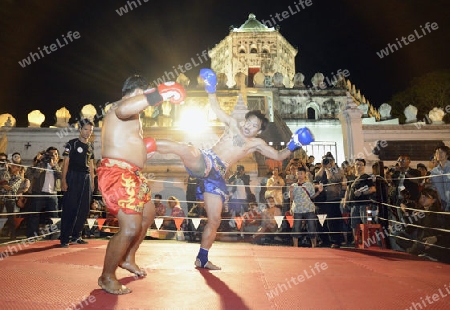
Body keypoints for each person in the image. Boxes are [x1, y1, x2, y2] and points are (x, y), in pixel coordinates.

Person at [154, 68, 314, 270]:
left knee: (214, 220)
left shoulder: (256, 144)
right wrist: (211, 87)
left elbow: (279, 156)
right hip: (207, 161)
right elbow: (215, 107)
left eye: (254, 125)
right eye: (248, 121)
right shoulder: (233, 124)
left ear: (259, 131)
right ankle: (148, 146)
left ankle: (202, 258)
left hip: (218, 176)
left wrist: (294, 143)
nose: (248, 126)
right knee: (186, 149)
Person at [96, 74, 185, 294]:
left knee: (148, 215)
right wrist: (160, 93)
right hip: (118, 173)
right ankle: (106, 276)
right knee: (130, 227)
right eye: (144, 96)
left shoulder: (134, 116)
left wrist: (146, 150)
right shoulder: (121, 106)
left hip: (133, 174)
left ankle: (127, 257)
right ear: (138, 93)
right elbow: (122, 110)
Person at [59, 119, 95, 247]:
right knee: (70, 207)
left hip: (86, 179)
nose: (88, 132)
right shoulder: (72, 144)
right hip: (73, 176)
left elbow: (91, 165)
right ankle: (64, 239)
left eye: (90, 130)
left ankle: (76, 236)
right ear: (80, 129)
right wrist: (63, 180)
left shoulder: (90, 146)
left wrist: (93, 182)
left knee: (83, 209)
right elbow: (66, 163)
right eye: (85, 129)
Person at [25, 147, 62, 238]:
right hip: (39, 192)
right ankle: (32, 236)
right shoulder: (40, 164)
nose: (53, 156)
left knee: (54, 216)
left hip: (52, 194)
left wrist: (53, 165)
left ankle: (53, 236)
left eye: (55, 154)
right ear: (46, 155)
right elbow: (35, 174)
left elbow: (61, 176)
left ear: (58, 157)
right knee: (34, 215)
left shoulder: (58, 166)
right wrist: (40, 162)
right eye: (51, 154)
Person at [343, 158, 376, 243]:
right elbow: (348, 189)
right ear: (354, 166)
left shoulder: (367, 177)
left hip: (364, 203)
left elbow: (373, 189)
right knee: (354, 224)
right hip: (353, 204)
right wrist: (345, 201)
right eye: (357, 164)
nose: (358, 166)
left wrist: (362, 193)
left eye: (360, 164)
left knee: (365, 222)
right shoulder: (351, 177)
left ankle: (368, 240)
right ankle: (356, 240)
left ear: (364, 166)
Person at [290, 166, 323, 248]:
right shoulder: (293, 185)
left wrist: (319, 192)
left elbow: (312, 197)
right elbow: (291, 199)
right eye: (298, 173)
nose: (299, 175)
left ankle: (314, 246)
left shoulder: (309, 184)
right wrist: (290, 193)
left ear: (305, 174)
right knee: (296, 227)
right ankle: (295, 246)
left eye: (301, 173)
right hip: (297, 209)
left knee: (312, 227)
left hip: (309, 209)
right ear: (296, 174)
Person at [430, 145, 450, 212]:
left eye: (441, 152)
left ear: (447, 154)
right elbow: (435, 188)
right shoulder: (433, 171)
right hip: (443, 202)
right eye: (437, 152)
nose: (439, 154)